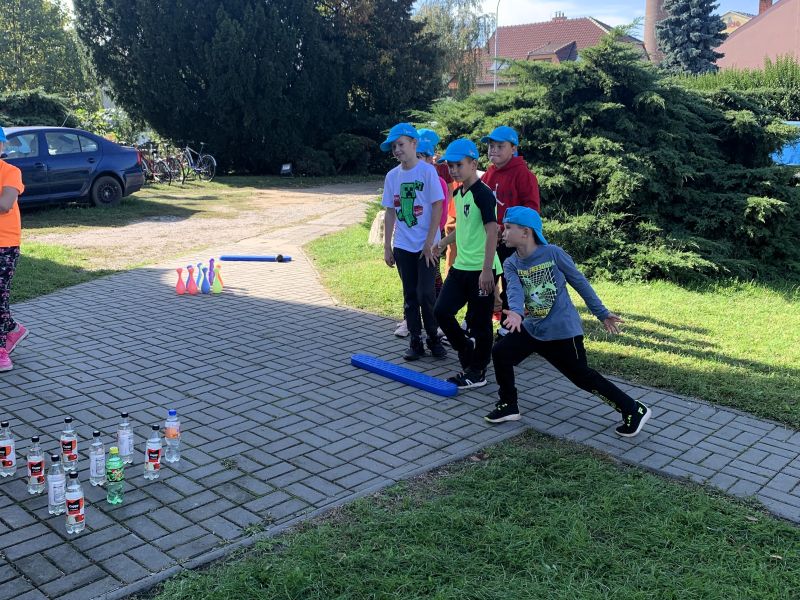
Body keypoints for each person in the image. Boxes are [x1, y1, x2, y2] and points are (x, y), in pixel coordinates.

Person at [485, 206, 651, 438]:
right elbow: (514, 290)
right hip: (533, 328)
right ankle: (508, 404)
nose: (503, 232)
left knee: (582, 377)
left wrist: (602, 313)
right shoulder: (512, 263)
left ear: (525, 232)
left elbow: (579, 282)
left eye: (508, 227)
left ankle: (633, 409)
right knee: (501, 352)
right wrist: (516, 312)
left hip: (563, 330)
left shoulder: (553, 253)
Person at [433, 139, 502, 389]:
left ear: (473, 164)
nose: (453, 170)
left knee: (480, 323)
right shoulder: (458, 193)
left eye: (458, 165)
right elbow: (462, 228)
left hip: (482, 269)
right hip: (461, 266)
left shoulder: (483, 195)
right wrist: (442, 243)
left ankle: (478, 372)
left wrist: (486, 270)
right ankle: (465, 348)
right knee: (441, 311)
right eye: (450, 166)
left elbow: (492, 232)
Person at [381, 123, 447, 361]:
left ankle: (433, 337)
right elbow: (390, 211)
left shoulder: (427, 172)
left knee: (426, 293)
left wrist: (429, 243)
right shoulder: (392, 176)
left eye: (400, 144)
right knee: (410, 295)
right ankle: (415, 341)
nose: (397, 150)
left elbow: (437, 206)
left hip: (426, 246)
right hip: (403, 246)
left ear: (413, 144)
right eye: (393, 147)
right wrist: (387, 246)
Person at [480, 126, 540, 336]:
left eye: (500, 146)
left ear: (513, 148)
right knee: (484, 282)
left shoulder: (524, 175)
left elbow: (531, 210)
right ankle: (478, 322)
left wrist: (506, 229)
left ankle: (509, 327)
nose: (494, 150)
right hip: (490, 240)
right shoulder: (489, 173)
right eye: (491, 146)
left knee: (511, 284)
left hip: (512, 243)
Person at [0, 126, 28, 372]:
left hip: (5, 244)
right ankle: (11, 329)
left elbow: (5, 204)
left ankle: (1, 352)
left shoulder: (11, 172)